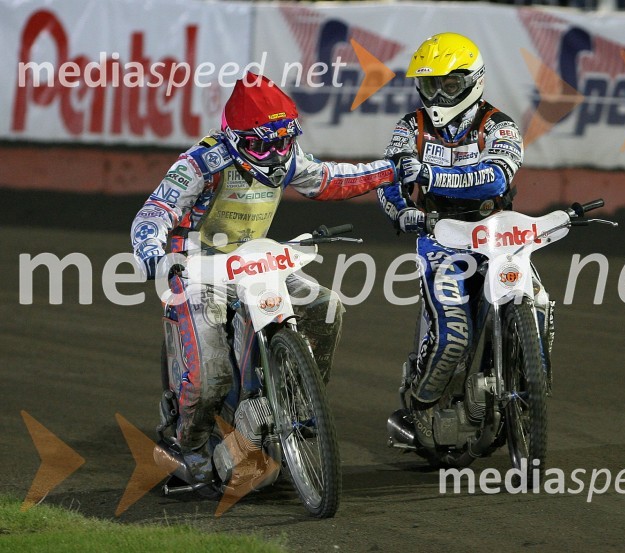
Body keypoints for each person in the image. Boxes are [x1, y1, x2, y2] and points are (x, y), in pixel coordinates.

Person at [131, 72, 396, 484]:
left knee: (325, 305)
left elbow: (327, 180)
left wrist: (390, 171)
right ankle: (187, 445)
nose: (274, 155)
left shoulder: (287, 156)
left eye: (282, 141)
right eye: (261, 145)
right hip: (199, 269)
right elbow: (155, 211)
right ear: (233, 137)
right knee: (210, 374)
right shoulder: (200, 162)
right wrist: (151, 250)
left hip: (256, 260)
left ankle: (298, 407)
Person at [377, 33, 541, 448]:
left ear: (472, 81)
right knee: (453, 336)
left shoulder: (499, 125)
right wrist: (401, 210)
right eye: (430, 84)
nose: (438, 95)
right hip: (441, 237)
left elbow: (497, 177)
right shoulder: (410, 127)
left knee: (537, 304)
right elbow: (389, 178)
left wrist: (430, 176)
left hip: (496, 234)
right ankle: (421, 406)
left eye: (448, 84)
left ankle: (528, 385)